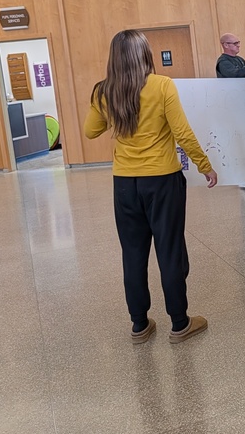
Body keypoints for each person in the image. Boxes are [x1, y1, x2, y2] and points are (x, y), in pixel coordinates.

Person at [84, 30, 217, 344]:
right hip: (162, 181)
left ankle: (139, 324)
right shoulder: (162, 85)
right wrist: (204, 164)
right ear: (145, 55)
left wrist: (111, 108)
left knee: (133, 254)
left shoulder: (104, 91)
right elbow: (182, 132)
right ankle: (180, 323)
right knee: (169, 250)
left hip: (124, 185)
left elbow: (91, 131)